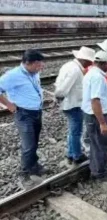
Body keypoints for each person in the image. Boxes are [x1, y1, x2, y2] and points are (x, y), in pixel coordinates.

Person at [0, 49, 46, 187]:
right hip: (24, 114)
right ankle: (24, 174)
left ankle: (33, 166)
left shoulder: (34, 73)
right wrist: (8, 104)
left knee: (35, 141)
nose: (41, 67)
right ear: (27, 63)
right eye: (38, 65)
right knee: (28, 145)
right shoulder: (13, 75)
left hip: (36, 112)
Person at [82, 51, 107, 182]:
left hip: (92, 116)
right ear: (104, 64)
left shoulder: (91, 73)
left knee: (95, 144)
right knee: (100, 145)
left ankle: (96, 169)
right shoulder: (97, 77)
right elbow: (95, 101)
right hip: (96, 116)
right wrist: (102, 123)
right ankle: (99, 173)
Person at [55, 46, 95, 165]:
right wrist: (59, 98)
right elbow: (62, 90)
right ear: (84, 59)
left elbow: (58, 83)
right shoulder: (75, 70)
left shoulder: (69, 65)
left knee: (73, 131)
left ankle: (71, 154)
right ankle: (77, 156)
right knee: (76, 132)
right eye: (89, 62)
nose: (89, 64)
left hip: (72, 103)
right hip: (73, 104)